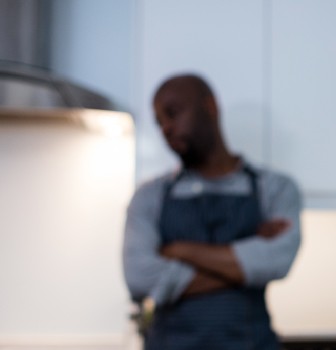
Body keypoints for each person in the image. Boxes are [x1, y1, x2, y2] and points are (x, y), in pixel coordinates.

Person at [123, 73, 301, 349]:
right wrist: (244, 266)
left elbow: (276, 262)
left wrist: (179, 250)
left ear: (211, 107)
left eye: (173, 113)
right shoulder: (149, 197)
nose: (166, 128)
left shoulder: (275, 188)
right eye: (159, 122)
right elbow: (138, 277)